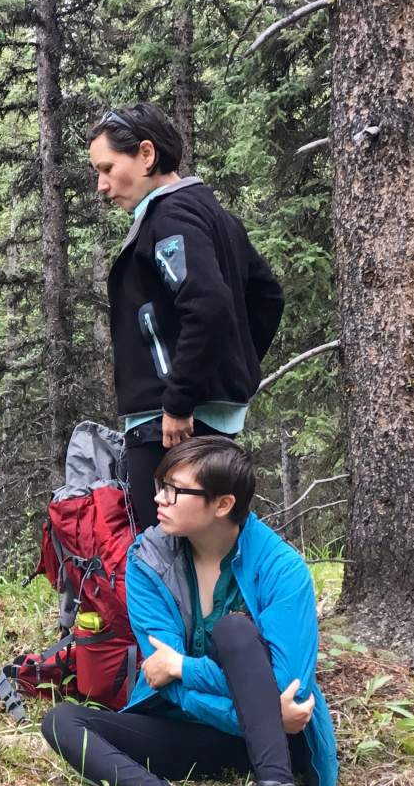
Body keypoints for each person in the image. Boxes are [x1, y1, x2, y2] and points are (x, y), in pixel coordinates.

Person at [41, 437, 337, 786]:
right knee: (63, 721)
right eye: (160, 485)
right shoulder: (147, 559)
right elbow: (167, 685)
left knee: (235, 632)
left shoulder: (280, 567)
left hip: (273, 749)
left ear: (221, 504)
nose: (158, 498)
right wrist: (261, 714)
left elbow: (285, 684)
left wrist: (182, 666)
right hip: (214, 729)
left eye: (173, 490)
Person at [88, 102, 285, 530]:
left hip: (171, 422)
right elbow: (267, 298)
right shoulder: (214, 215)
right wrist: (230, 367)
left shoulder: (170, 216)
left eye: (107, 168)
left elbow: (208, 305)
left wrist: (178, 399)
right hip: (209, 415)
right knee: (208, 549)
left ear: (145, 154)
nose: (102, 186)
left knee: (159, 551)